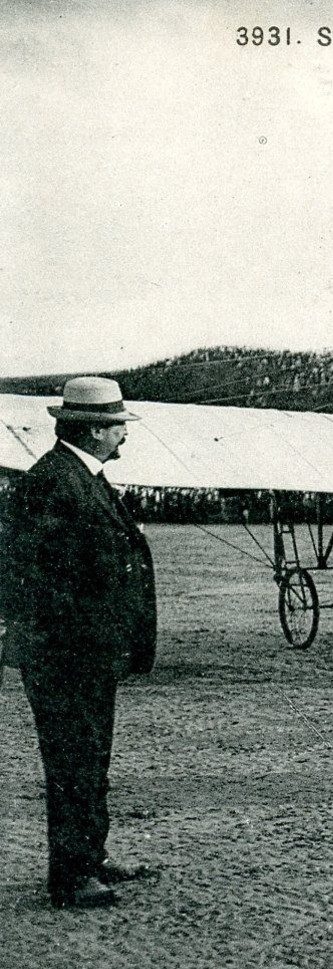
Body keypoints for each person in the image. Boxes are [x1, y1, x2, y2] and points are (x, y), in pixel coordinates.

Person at [0, 377, 158, 908]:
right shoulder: (56, 483)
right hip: (66, 657)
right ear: (94, 430)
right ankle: (70, 877)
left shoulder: (77, 476)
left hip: (87, 655)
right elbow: (34, 581)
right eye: (117, 428)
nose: (123, 438)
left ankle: (90, 854)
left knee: (91, 757)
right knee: (72, 763)